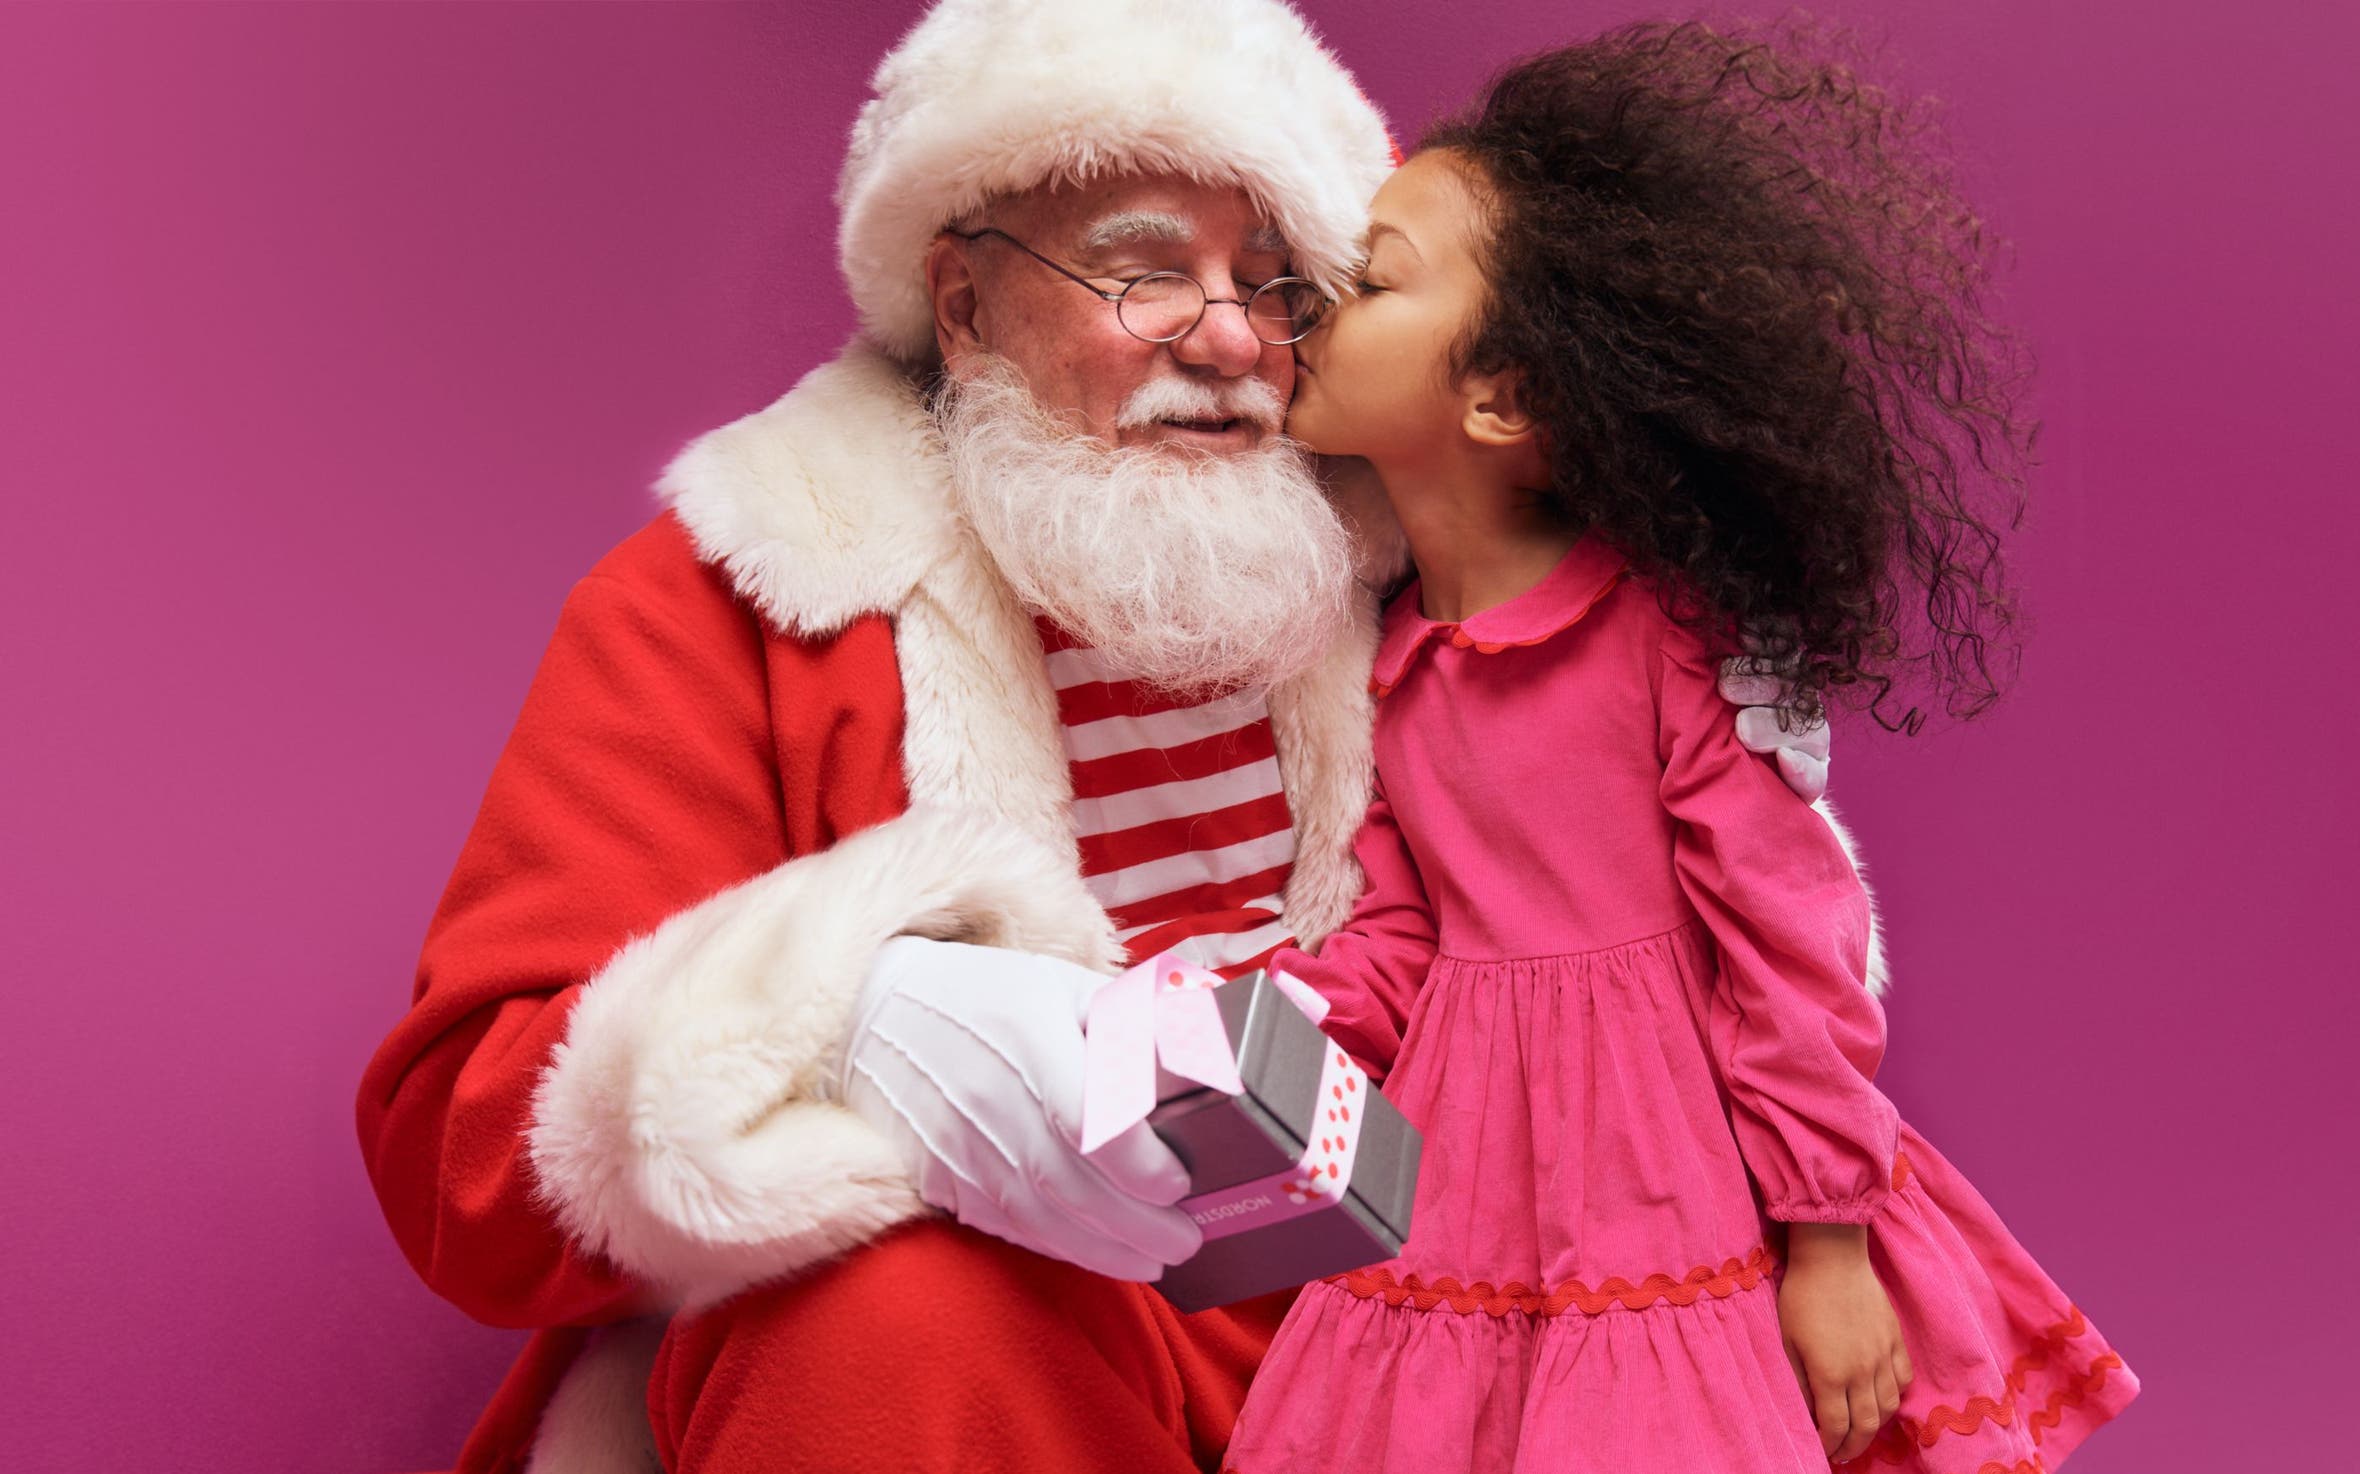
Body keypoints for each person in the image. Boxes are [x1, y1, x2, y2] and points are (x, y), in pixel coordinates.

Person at [355, 3, 1830, 1470]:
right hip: (1016, 1363)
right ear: (964, 305)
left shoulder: (1433, 571)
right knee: (892, 1321)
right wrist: (844, 1024)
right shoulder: (759, 580)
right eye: (1141, 272)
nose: (1232, 335)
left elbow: (1712, 953)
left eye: (1279, 284)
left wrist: (1716, 732)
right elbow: (468, 1151)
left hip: (1426, 1326)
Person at [1221, 21, 2139, 1474]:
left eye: (1374, 278)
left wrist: (1827, 1244)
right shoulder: (1392, 661)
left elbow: (1791, 933)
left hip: (1668, 1171)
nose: (1313, 307)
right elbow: (1397, 935)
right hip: (1465, 1169)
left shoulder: (1666, 637)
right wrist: (1238, 1024)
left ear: (1503, 396)